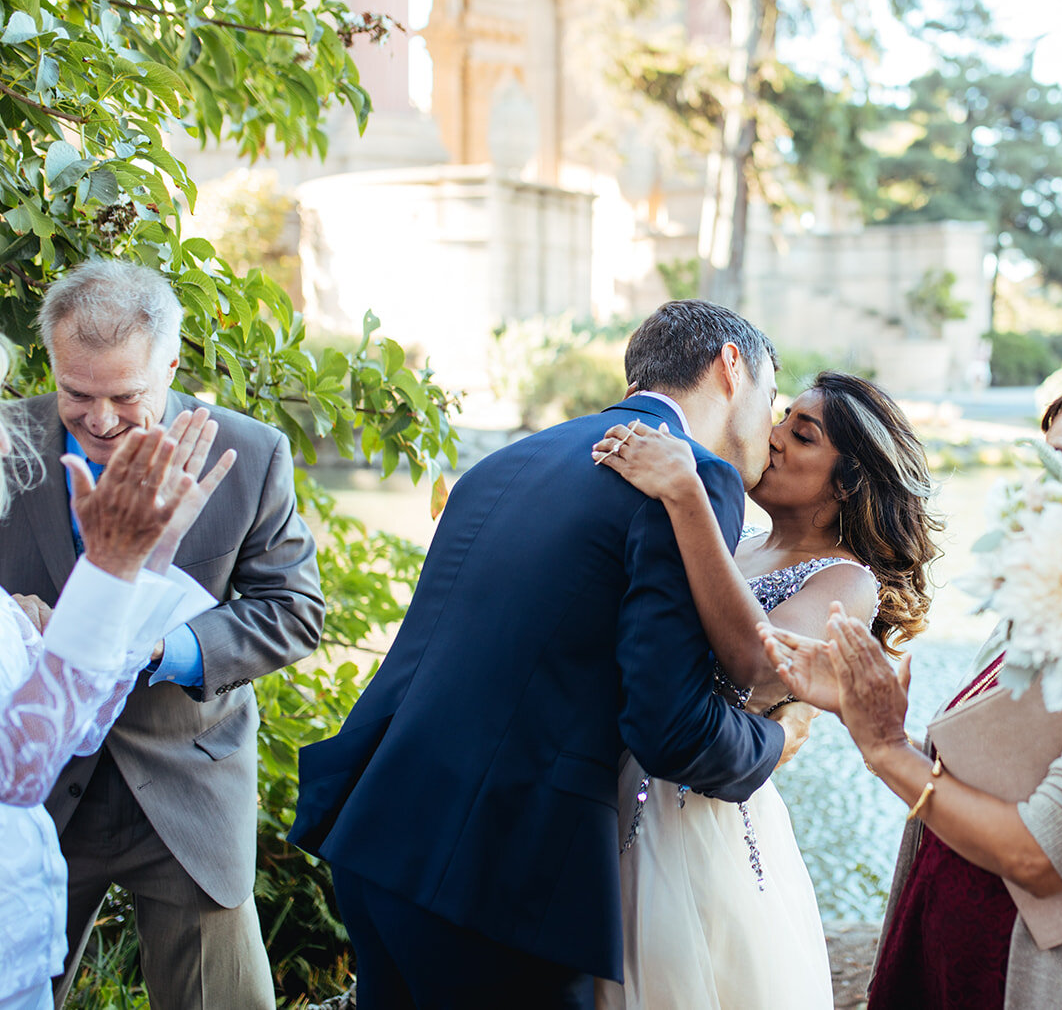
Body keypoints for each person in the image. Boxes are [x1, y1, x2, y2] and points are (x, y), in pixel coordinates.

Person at [291, 300, 796, 1009]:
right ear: (730, 365)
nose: (773, 428)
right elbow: (667, 725)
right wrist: (773, 739)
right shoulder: (691, 476)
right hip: (497, 878)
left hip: (376, 827)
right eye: (774, 399)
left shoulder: (509, 460)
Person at [769, 378, 1062, 1010]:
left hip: (1056, 984)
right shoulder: (1038, 615)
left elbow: (1047, 856)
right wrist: (870, 719)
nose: (1037, 487)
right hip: (947, 955)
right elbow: (996, 771)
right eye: (1040, 461)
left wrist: (886, 751)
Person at [0, 259, 325, 1010]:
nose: (99, 420)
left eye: (126, 396)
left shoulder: (251, 454)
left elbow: (292, 609)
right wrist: (5, 617)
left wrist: (166, 647)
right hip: (32, 783)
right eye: (76, 394)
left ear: (172, 363)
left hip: (185, 787)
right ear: (52, 362)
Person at [587, 370, 943, 1010]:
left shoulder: (846, 580)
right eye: (780, 419)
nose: (772, 438)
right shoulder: (736, 541)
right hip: (611, 784)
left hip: (699, 823)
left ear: (844, 484)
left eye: (801, 435)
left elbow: (758, 657)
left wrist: (686, 493)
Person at [0, 299, 233, 1010]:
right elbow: (15, 767)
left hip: (5, 945)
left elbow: (71, 725)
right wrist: (108, 573)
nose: (3, 440)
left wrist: (145, 568)